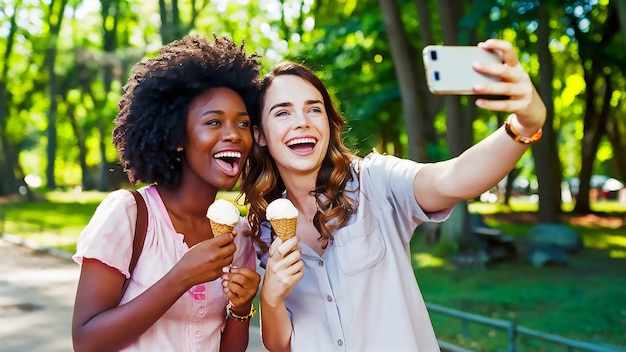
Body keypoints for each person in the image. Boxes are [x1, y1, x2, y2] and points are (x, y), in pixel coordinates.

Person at [241, 39, 546, 351]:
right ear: (260, 135)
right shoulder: (266, 229)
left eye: (313, 109)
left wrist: (524, 124)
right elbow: (280, 344)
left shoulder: (374, 182)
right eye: (282, 113)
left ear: (328, 124)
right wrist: (271, 296)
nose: (302, 122)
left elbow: (453, 180)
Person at [72, 34, 262, 352]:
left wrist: (241, 310)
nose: (233, 135)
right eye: (214, 122)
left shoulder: (239, 236)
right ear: (178, 137)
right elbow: (86, 341)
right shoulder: (129, 213)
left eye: (243, 124)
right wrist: (180, 277)